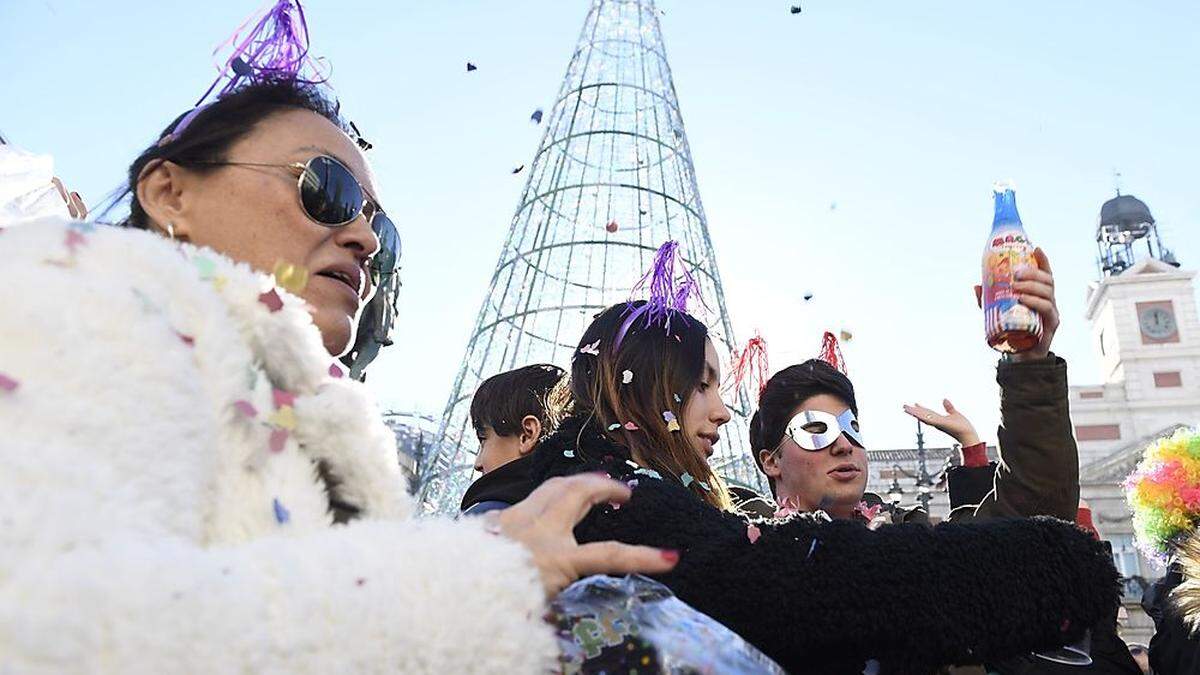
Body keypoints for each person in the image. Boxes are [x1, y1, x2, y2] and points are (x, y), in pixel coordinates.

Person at [0, 79, 678, 673]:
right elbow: (45, 627)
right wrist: (474, 578)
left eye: (375, 220)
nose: (365, 237)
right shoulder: (68, 306)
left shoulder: (315, 429)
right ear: (170, 191)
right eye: (326, 188)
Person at [480, 240, 1120, 672]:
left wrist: (1022, 376)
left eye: (853, 427)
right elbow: (798, 583)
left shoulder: (884, 532)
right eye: (701, 384)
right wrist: (1040, 564)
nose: (844, 443)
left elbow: (1028, 505)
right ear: (770, 459)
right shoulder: (604, 501)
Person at [459, 363, 565, 515]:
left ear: (527, 435)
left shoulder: (489, 518)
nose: (478, 464)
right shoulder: (575, 522)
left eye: (484, 440)